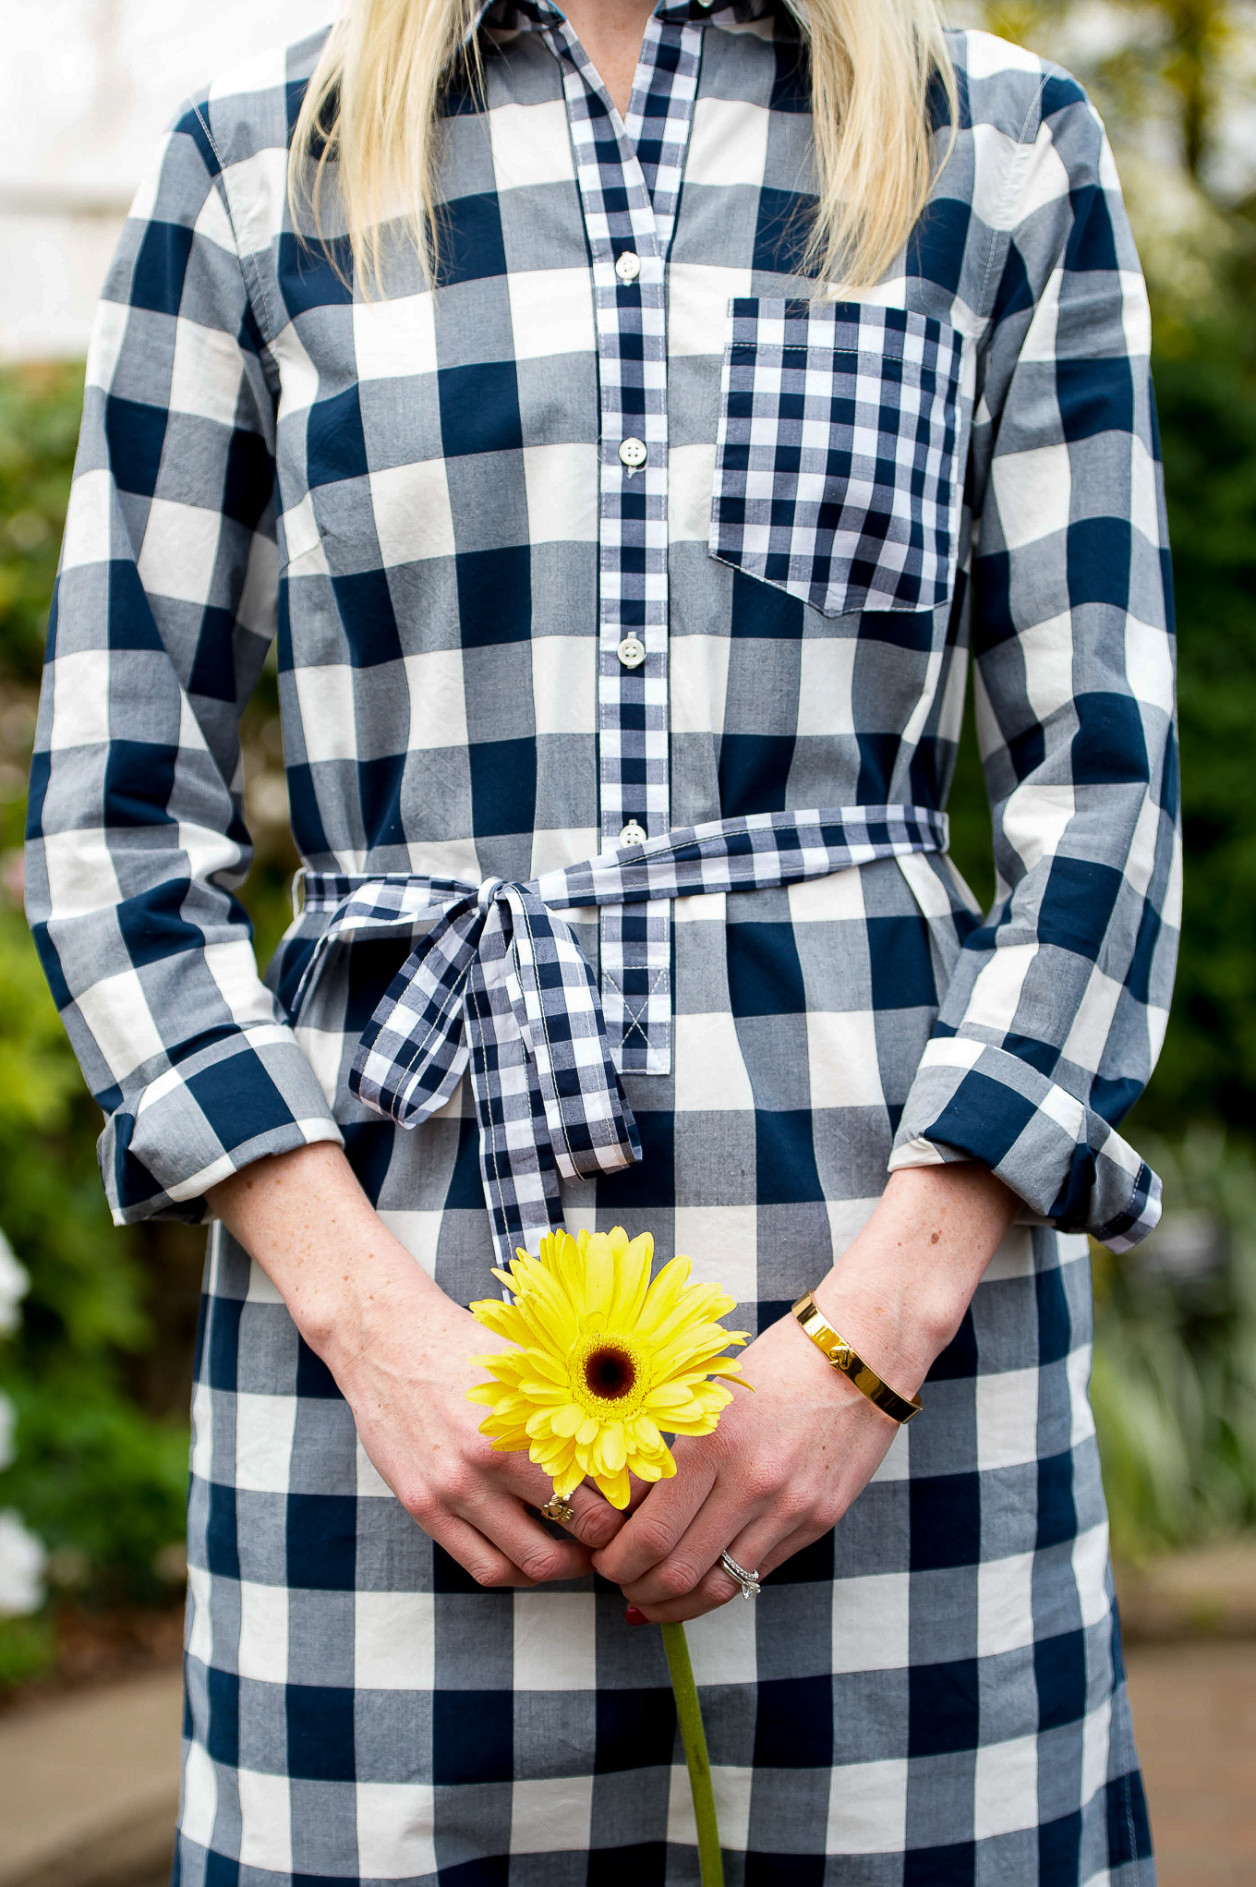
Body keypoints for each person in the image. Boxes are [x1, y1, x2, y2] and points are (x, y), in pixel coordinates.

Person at [27, 0, 1178, 1879]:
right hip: (390, 1357)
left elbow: (1103, 795)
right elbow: (112, 821)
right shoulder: (260, 160)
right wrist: (378, 1333)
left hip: (891, 1348)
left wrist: (870, 1348)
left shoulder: (1003, 138)